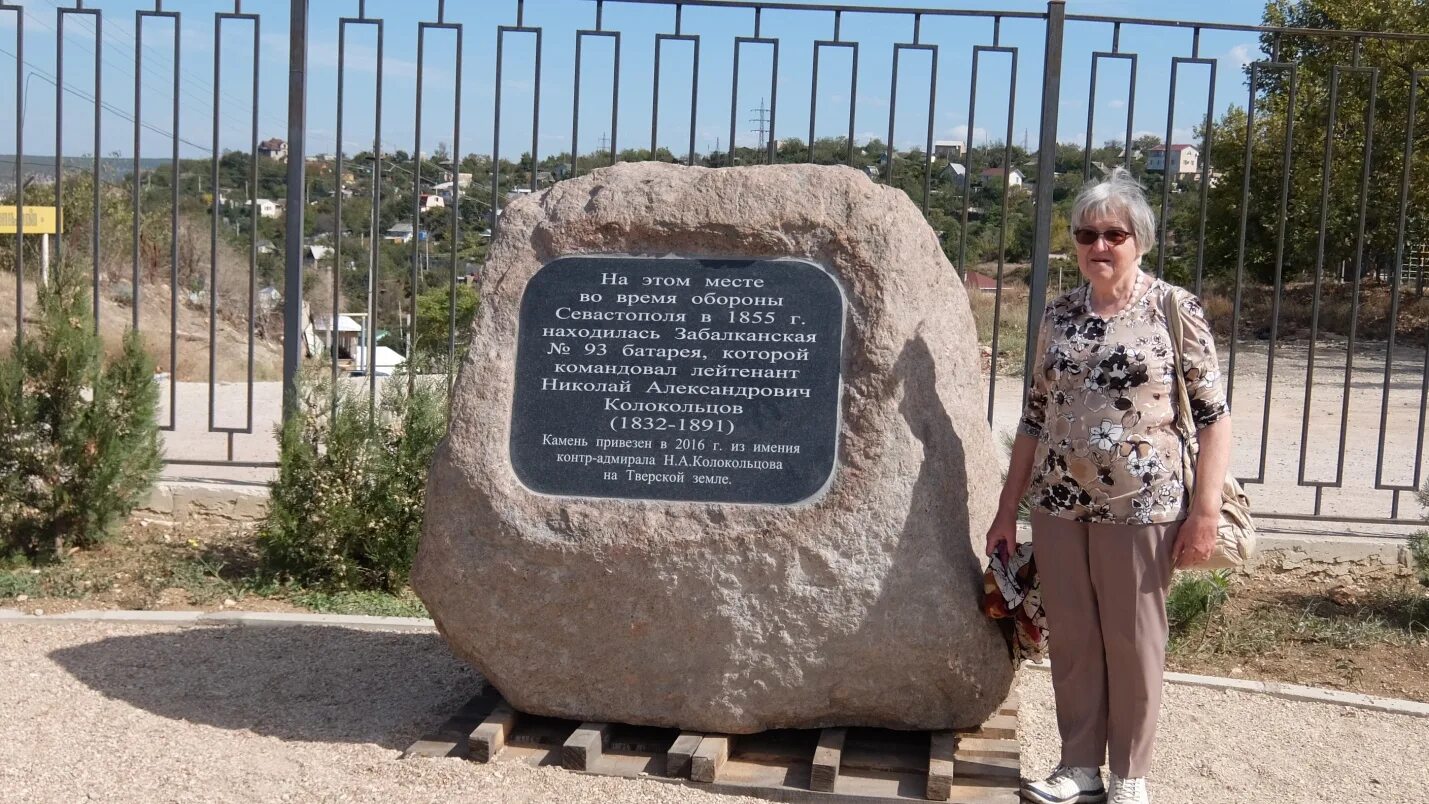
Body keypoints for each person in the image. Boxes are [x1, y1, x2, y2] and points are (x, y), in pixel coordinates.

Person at [985, 169, 1231, 804]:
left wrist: (1204, 512)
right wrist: (1007, 510)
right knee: (1072, 637)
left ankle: (1129, 775)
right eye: (1086, 234)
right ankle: (1079, 767)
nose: (1099, 246)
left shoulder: (1174, 309)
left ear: (1138, 240)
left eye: (1112, 234)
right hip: (1061, 504)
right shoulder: (1059, 313)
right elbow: (1034, 416)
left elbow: (1212, 416)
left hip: (1144, 506)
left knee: (1134, 638)